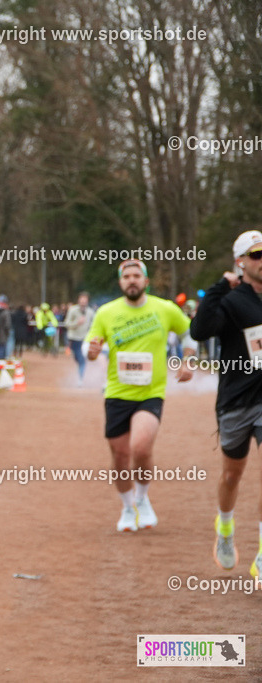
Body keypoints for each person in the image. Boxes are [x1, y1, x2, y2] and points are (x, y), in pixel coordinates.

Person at [86, 260, 194, 533]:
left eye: (136, 276)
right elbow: (91, 350)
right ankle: (127, 506)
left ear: (146, 281)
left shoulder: (164, 308)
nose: (131, 280)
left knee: (141, 448)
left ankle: (143, 498)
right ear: (120, 282)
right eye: (126, 276)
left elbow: (189, 333)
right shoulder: (106, 312)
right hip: (117, 393)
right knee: (120, 456)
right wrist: (93, 350)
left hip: (151, 392)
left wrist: (188, 361)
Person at [189, 230, 262, 573]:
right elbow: (200, 331)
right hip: (235, 400)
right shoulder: (232, 301)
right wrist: (220, 286)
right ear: (241, 262)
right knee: (232, 476)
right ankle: (225, 528)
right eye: (256, 254)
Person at [64, 292, 93, 385]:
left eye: (85, 301)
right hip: (74, 339)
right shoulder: (73, 310)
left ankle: (80, 379)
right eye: (81, 301)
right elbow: (67, 324)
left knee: (82, 360)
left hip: (85, 340)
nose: (83, 303)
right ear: (78, 301)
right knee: (77, 358)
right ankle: (80, 375)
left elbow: (94, 325)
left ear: (87, 301)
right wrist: (77, 323)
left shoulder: (90, 312)